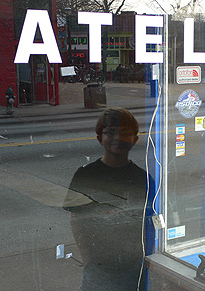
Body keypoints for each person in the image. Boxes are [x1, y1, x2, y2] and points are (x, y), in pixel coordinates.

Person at [63, 107, 154, 291]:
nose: (117, 138)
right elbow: (77, 219)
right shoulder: (86, 175)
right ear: (99, 138)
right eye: (110, 132)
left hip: (135, 267)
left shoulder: (143, 179)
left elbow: (150, 222)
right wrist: (88, 258)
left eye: (125, 133)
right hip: (99, 269)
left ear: (135, 139)